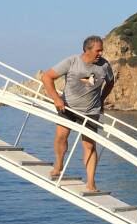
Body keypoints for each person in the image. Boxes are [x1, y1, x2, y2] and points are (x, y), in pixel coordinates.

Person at [41, 36, 114, 192]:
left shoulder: (105, 65)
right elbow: (47, 77)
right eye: (97, 50)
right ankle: (59, 164)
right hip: (67, 107)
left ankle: (91, 182)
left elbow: (111, 82)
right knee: (61, 136)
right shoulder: (72, 62)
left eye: (102, 50)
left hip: (91, 111)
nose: (101, 53)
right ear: (86, 50)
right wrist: (56, 99)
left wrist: (101, 99)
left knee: (89, 146)